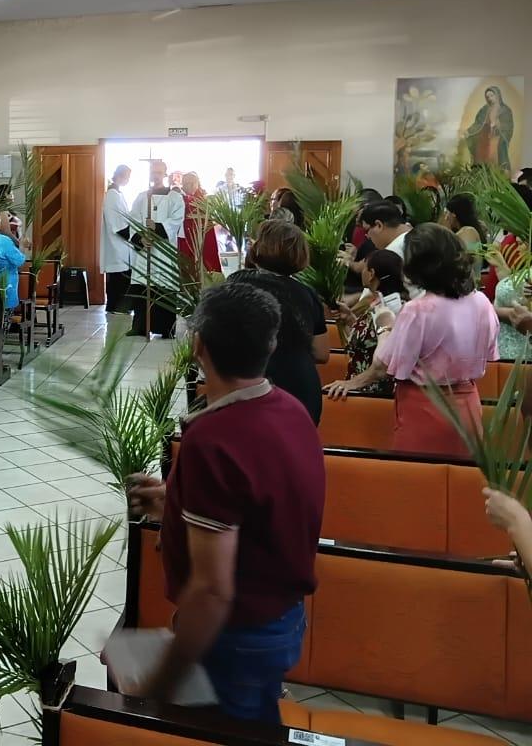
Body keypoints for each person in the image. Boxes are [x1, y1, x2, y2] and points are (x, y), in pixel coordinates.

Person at [121, 282, 323, 724]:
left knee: (228, 731)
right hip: (281, 618)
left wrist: (166, 673)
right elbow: (258, 506)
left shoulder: (214, 441)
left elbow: (212, 590)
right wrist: (177, 501)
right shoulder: (291, 411)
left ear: (197, 345)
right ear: (271, 344)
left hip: (237, 635)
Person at [350, 224, 498, 457]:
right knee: (463, 485)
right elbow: (489, 353)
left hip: (425, 408)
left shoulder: (418, 310)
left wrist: (386, 327)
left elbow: (388, 366)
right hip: (468, 405)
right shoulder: (481, 302)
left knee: (416, 485)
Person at [227, 220, 329, 424]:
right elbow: (321, 353)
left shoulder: (236, 283)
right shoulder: (307, 295)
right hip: (299, 389)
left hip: (250, 384)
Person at [324, 250, 404, 399]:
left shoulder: (393, 309)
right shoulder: (377, 303)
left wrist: (353, 383)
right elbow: (368, 341)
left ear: (371, 273)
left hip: (374, 392)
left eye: (364, 268)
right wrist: (349, 318)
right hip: (360, 386)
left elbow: (385, 358)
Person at [128, 160, 185, 339]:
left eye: (159, 172)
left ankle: (165, 328)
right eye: (153, 172)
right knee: (142, 286)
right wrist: (140, 237)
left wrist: (158, 227)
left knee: (164, 286)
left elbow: (176, 220)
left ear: (165, 174)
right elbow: (133, 220)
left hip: (164, 251)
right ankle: (139, 327)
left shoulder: (174, 197)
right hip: (145, 251)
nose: (156, 176)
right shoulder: (141, 196)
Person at [179, 173, 223, 280]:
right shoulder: (178, 199)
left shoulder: (204, 200)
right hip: (185, 238)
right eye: (187, 183)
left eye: (193, 183)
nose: (190, 186)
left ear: (198, 184)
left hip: (204, 238)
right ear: (182, 185)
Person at [102, 165, 132, 313]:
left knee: (121, 275)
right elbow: (115, 220)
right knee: (118, 276)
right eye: (127, 176)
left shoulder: (118, 193)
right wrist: (131, 234)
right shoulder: (112, 194)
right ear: (120, 175)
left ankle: (119, 305)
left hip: (121, 242)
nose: (128, 179)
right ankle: (116, 306)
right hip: (117, 241)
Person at [465, 84, 515, 170]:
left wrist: (498, 125)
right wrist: (469, 131)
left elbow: (508, 125)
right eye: (487, 97)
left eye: (492, 95)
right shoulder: (484, 109)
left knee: (494, 158)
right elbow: (478, 123)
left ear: (497, 95)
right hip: (483, 137)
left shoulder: (505, 110)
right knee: (481, 158)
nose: (490, 98)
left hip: (497, 137)